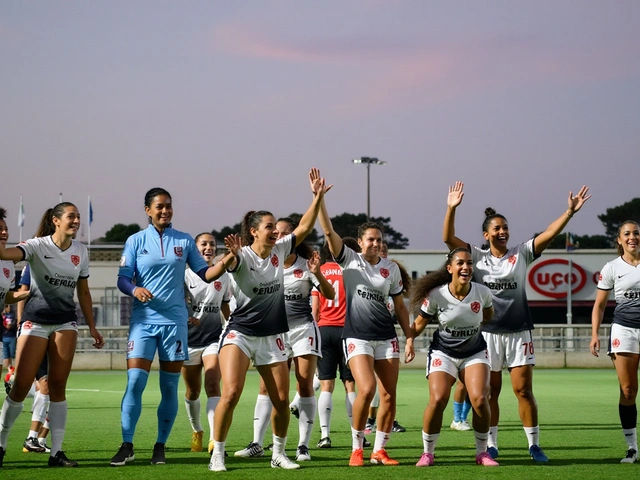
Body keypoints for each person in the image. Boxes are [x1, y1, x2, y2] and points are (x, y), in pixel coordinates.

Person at [443, 181, 591, 462]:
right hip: (486, 335)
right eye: (496, 229)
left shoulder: (521, 253)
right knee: (489, 393)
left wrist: (569, 212)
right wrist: (451, 208)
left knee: (523, 390)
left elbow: (549, 233)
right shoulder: (476, 257)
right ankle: (491, 444)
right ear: (486, 234)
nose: (502, 232)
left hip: (519, 333)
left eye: (505, 228)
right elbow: (448, 237)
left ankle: (534, 445)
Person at [208, 168, 331, 472]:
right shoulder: (241, 255)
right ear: (253, 231)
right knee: (232, 392)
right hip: (241, 332)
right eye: (269, 226)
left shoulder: (280, 250)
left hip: (273, 335)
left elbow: (303, 226)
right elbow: (210, 275)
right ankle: (217, 455)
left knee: (281, 399)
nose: (275, 230)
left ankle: (278, 454)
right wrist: (227, 258)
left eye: (275, 226)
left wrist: (316, 197)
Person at [110, 188, 236, 467]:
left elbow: (205, 274)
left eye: (169, 206)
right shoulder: (135, 241)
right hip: (143, 322)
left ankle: (160, 447)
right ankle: (127, 445)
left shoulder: (184, 241)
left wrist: (227, 261)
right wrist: (134, 289)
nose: (165, 210)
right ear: (147, 210)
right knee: (135, 383)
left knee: (169, 387)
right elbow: (122, 279)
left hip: (174, 324)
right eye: (159, 206)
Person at [0, 203, 104, 468]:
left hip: (65, 323)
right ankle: (0, 444)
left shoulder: (81, 251)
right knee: (22, 386)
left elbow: (83, 292)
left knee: (58, 386)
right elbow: (7, 254)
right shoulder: (36, 245)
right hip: (35, 322)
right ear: (56, 221)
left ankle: (56, 452)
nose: (77, 220)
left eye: (78, 217)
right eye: (72, 216)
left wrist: (92, 326)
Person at [317, 198, 414, 467]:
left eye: (379, 240)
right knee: (367, 389)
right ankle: (357, 448)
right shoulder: (349, 259)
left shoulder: (391, 269)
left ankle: (379, 450)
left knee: (389, 395)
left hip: (386, 337)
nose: (375, 243)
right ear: (360, 242)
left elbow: (400, 306)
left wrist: (409, 338)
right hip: (357, 336)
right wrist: (320, 200)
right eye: (370, 239)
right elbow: (328, 232)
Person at [235, 217, 334, 462]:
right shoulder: (267, 263)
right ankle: (257, 442)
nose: (278, 237)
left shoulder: (305, 263)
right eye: (275, 232)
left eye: (284, 233)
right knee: (266, 388)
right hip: (275, 332)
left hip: (302, 330)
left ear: (294, 238)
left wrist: (318, 274)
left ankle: (303, 446)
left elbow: (329, 294)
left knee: (303, 384)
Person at [410, 247, 497, 467]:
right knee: (438, 399)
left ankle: (482, 453)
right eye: (460, 263)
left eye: (469, 263)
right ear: (450, 268)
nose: (466, 267)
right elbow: (419, 324)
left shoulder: (482, 292)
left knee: (479, 399)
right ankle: (428, 452)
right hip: (443, 353)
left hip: (474, 352)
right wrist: (409, 341)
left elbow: (487, 315)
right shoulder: (437, 295)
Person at [590, 220, 640, 463]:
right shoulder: (611, 267)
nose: (633, 237)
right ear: (619, 240)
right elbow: (599, 305)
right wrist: (594, 334)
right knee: (628, 390)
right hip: (624, 330)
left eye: (636, 233)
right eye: (627, 234)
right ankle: (632, 448)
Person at [182, 233, 231, 454]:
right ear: (195, 249)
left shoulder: (223, 275)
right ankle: (197, 430)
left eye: (212, 244)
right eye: (204, 244)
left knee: (213, 385)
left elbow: (225, 307)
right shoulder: (183, 276)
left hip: (213, 339)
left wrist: (232, 328)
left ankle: (214, 439)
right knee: (192, 391)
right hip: (188, 341)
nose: (208, 247)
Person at [16, 264, 52, 454]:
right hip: (36, 329)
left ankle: (39, 439)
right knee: (45, 388)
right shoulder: (32, 264)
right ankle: (31, 437)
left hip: (58, 329)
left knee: (56, 396)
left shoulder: (67, 262)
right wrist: (21, 323)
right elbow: (22, 293)